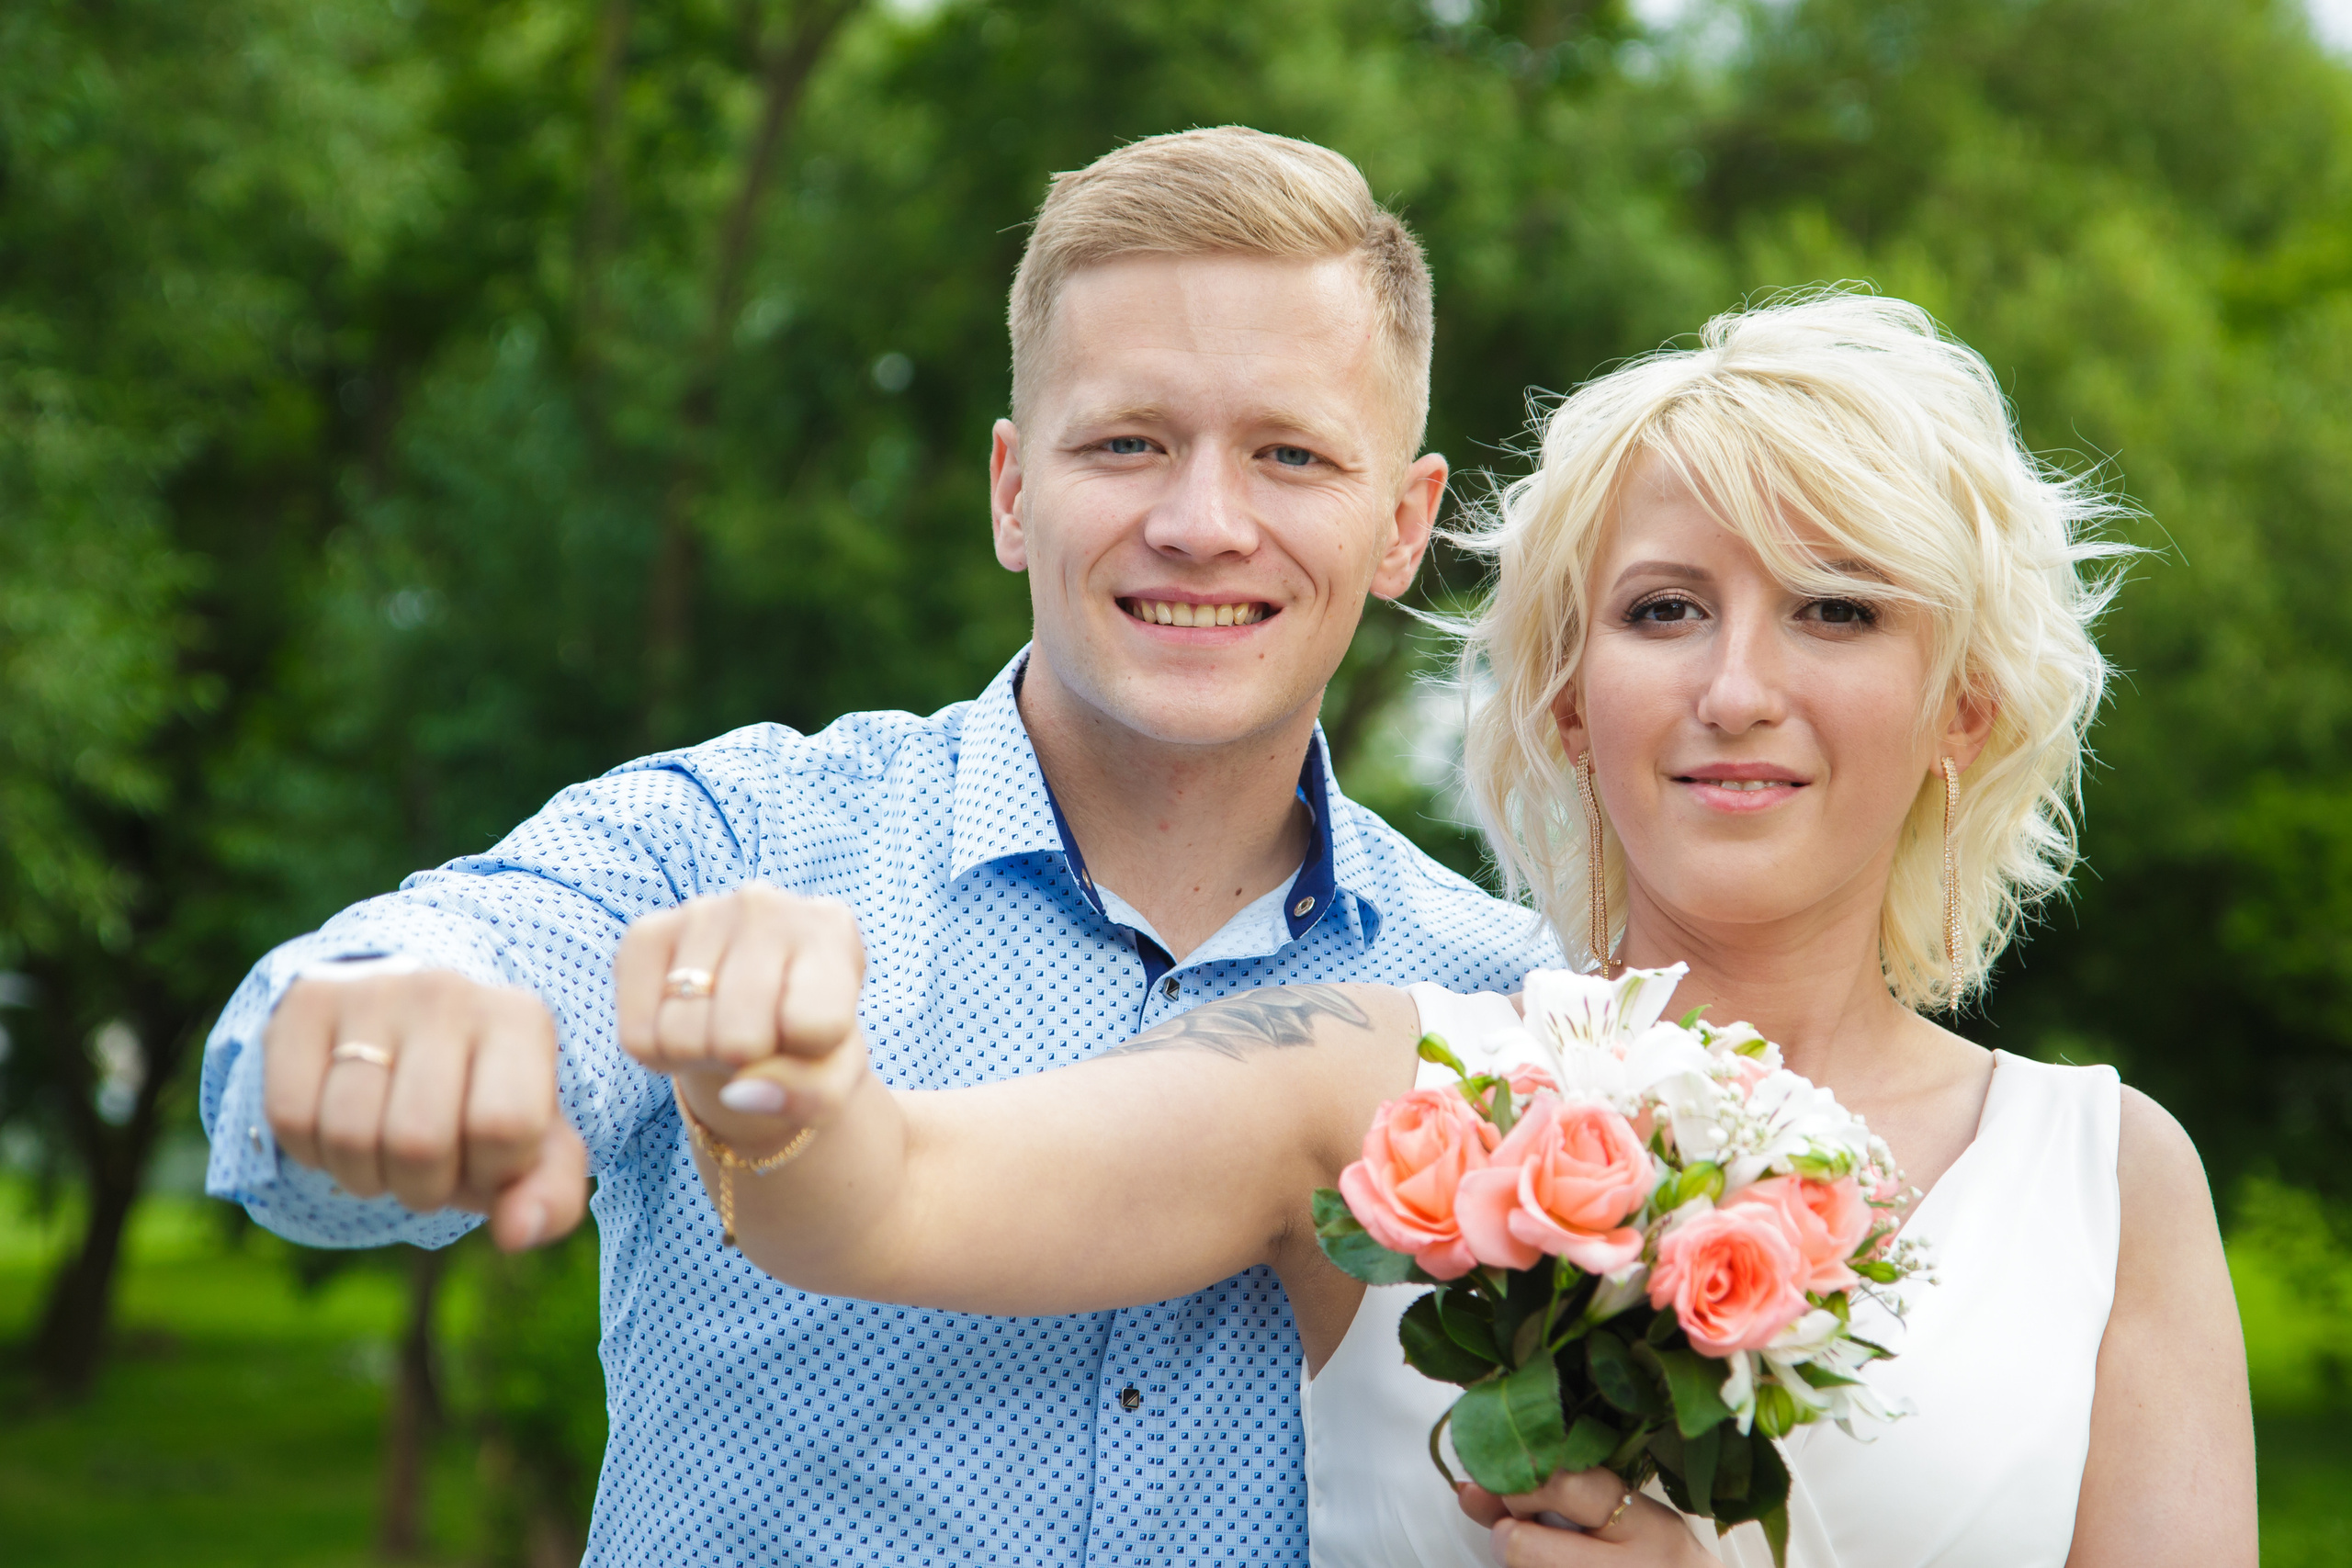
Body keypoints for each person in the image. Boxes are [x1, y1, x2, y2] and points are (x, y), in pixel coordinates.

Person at [620, 293, 2258, 1567]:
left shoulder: (2112, 1181)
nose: (1736, 689)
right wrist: (779, 1077)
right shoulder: (1379, 1074)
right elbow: (891, 1199)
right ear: (1565, 693)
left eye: (1837, 609)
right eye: (1663, 610)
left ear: (1962, 704)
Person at [198, 127, 1560, 1564]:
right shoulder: (730, 844)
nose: (1202, 523)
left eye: (1289, 454)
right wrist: (377, 1038)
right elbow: (435, 981)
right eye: (1125, 444)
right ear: (1012, 491)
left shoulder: (1508, 1001)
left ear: (1403, 523)